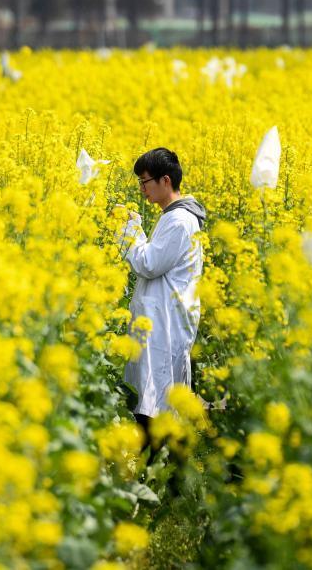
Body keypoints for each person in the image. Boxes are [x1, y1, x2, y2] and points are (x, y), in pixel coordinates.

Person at [115, 147, 207, 448]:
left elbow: (149, 263)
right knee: (154, 400)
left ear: (165, 181)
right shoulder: (173, 218)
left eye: (145, 182)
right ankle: (154, 474)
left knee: (157, 404)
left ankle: (156, 477)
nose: (142, 189)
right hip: (162, 321)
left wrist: (130, 229)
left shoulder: (179, 221)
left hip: (166, 324)